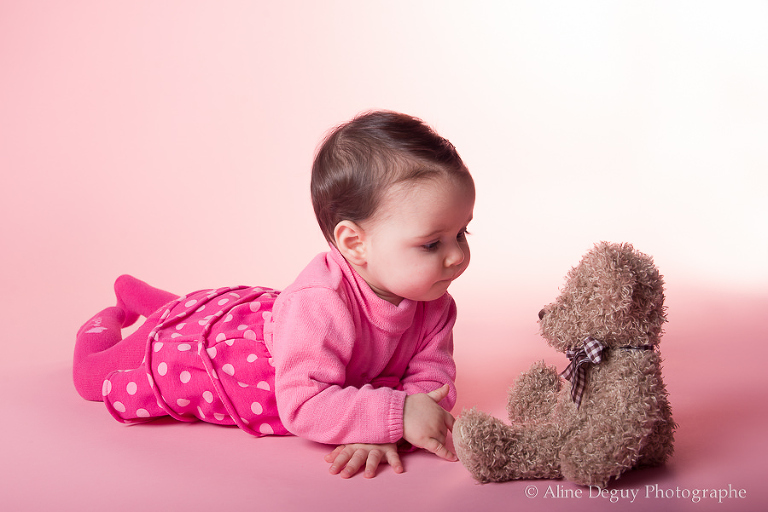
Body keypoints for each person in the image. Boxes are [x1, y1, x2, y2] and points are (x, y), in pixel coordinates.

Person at [73, 110, 475, 479]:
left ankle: (144, 297)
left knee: (187, 308)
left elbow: (433, 382)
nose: (456, 255)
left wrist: (395, 422)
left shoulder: (434, 303)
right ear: (355, 244)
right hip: (227, 355)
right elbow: (303, 405)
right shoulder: (319, 304)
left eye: (462, 232)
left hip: (271, 315)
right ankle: (114, 313)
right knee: (96, 375)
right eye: (431, 244)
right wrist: (395, 413)